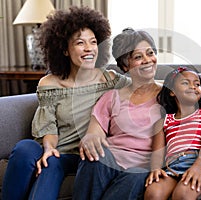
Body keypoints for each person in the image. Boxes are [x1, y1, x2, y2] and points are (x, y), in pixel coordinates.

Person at [2, 6, 130, 200]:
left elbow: (148, 88)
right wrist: (49, 149)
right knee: (26, 149)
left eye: (93, 42)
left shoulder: (110, 80)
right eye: (80, 43)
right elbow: (48, 126)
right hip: (56, 149)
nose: (89, 48)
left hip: (86, 154)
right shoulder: (50, 83)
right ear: (64, 49)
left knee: (54, 161)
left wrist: (182, 83)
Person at [73, 28, 162, 199]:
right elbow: (94, 132)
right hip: (109, 162)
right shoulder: (111, 97)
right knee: (95, 155)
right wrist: (90, 138)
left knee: (136, 175)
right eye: (138, 57)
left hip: (143, 167)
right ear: (124, 66)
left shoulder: (170, 96)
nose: (147, 61)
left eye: (150, 53)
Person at [144, 67, 201, 200]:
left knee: (183, 194)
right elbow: (157, 152)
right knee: (154, 193)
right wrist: (156, 169)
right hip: (172, 166)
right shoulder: (162, 122)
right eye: (185, 83)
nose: (193, 86)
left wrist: (197, 167)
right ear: (172, 92)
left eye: (197, 84)